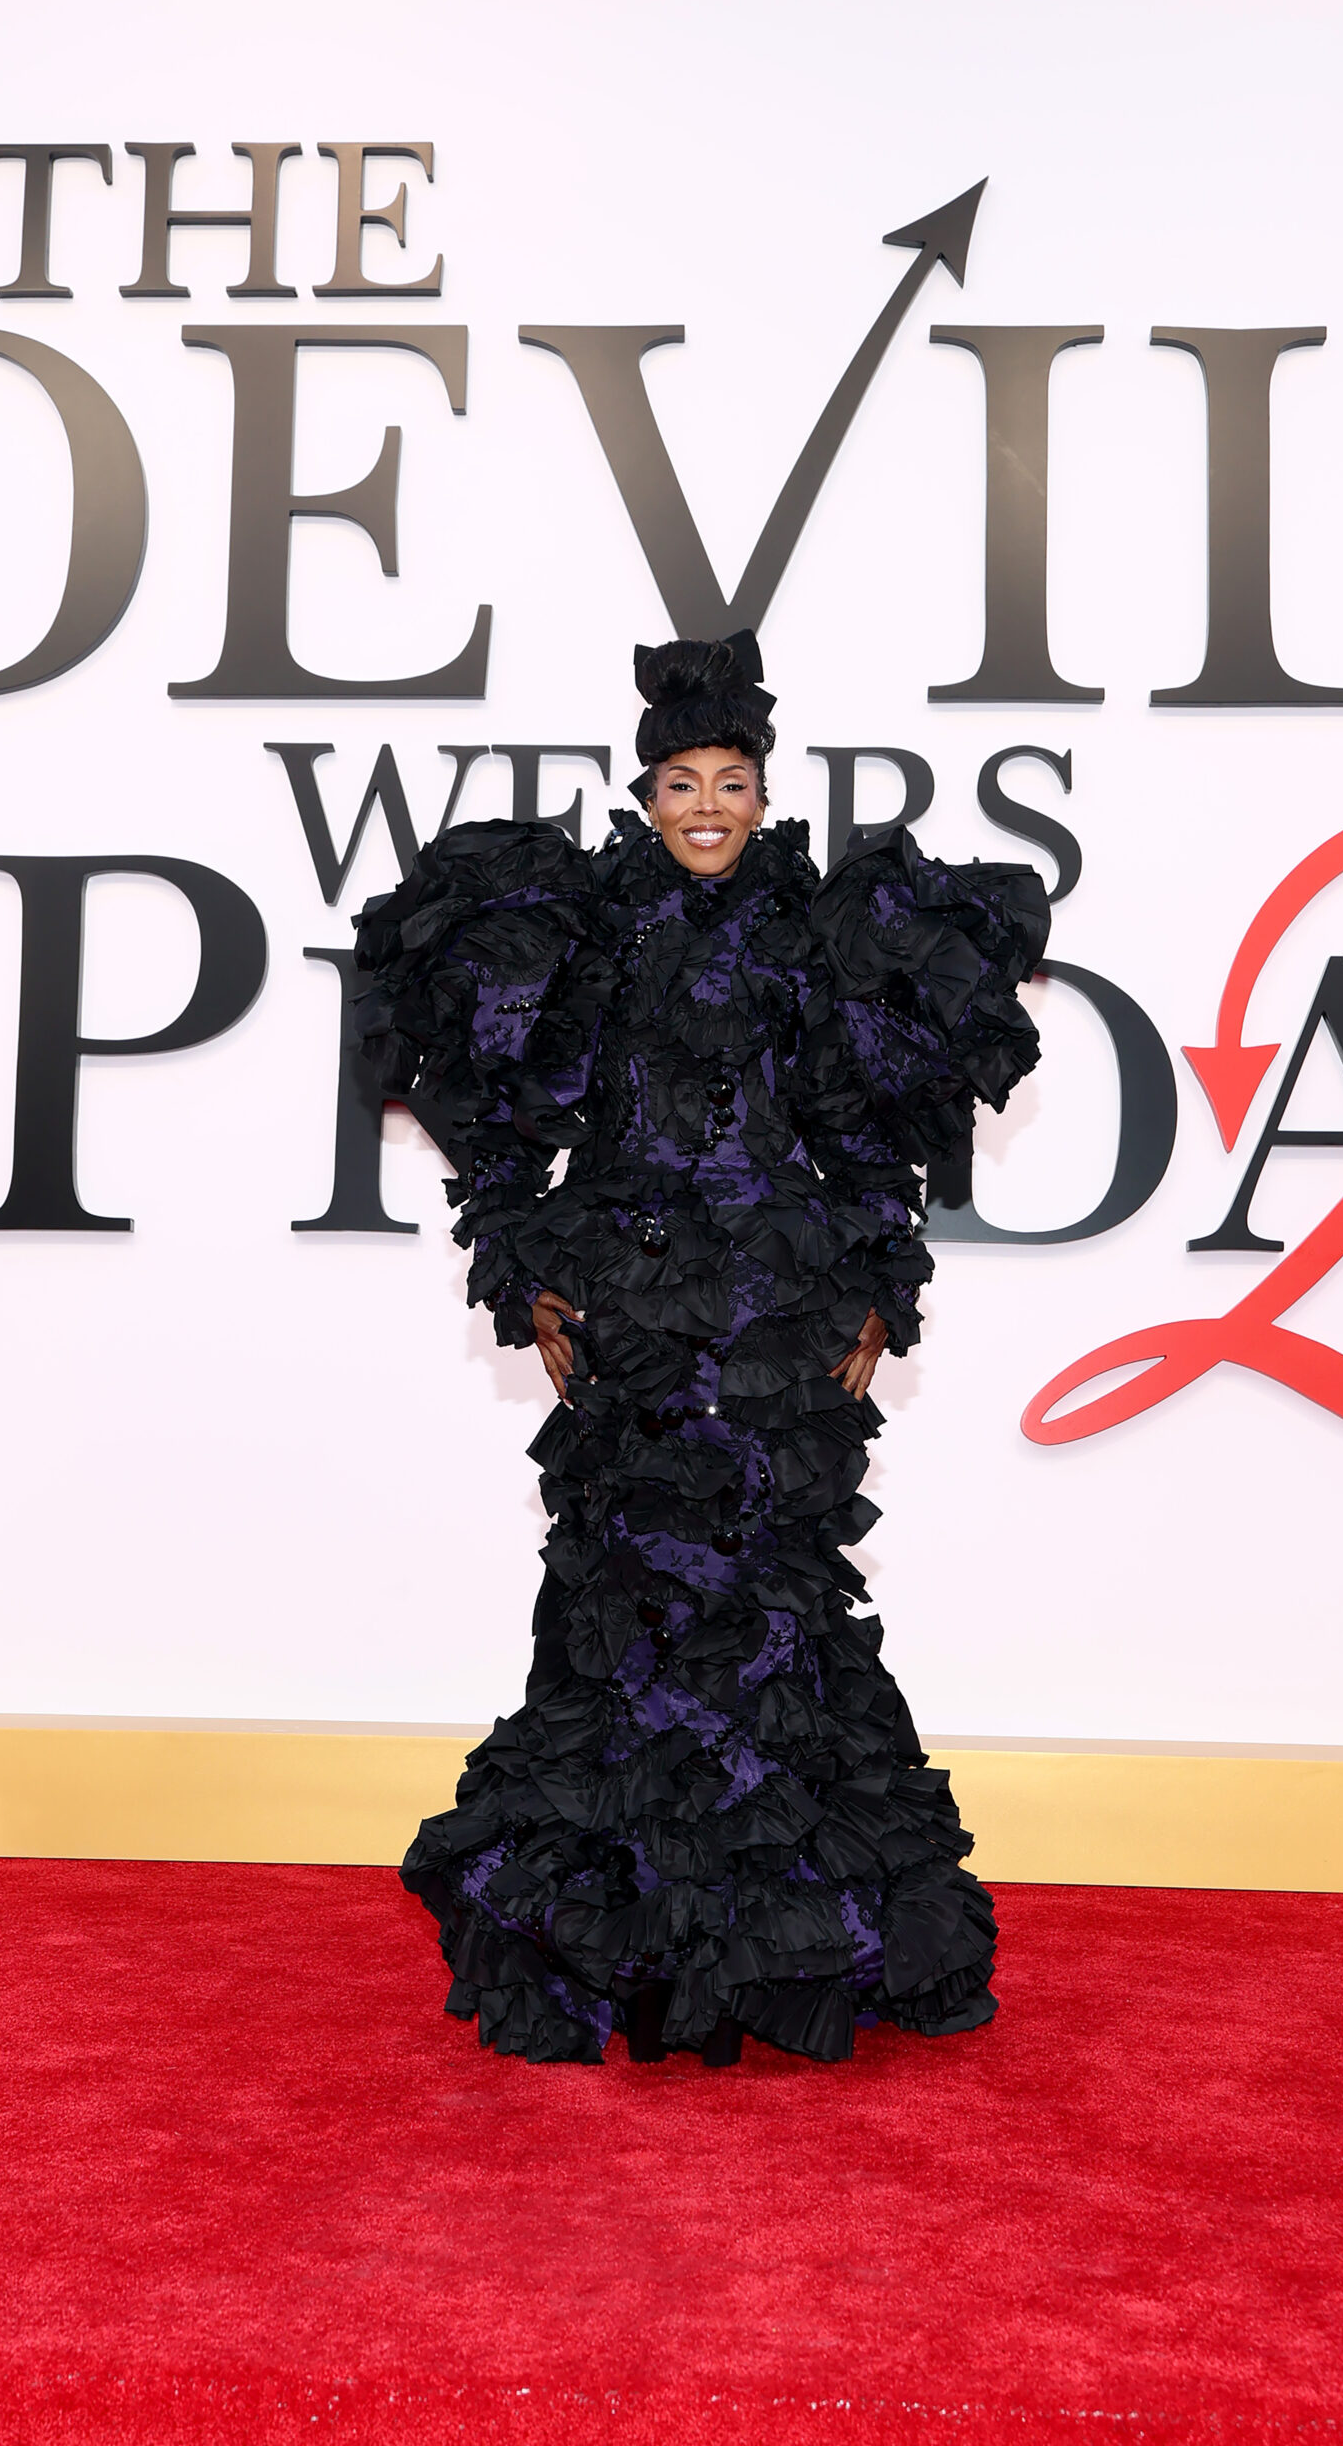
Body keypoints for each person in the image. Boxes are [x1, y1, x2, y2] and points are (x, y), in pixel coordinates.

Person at [354, 633, 1049, 2066]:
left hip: (780, 1320)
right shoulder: (588, 925)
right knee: (629, 1603)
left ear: (765, 795)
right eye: (682, 784)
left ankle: (788, 1944)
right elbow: (505, 1114)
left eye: (732, 783)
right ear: (647, 795)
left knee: (777, 1606)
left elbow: (864, 1132)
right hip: (633, 1315)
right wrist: (521, 1264)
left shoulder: (816, 931)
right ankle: (626, 1938)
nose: (709, 808)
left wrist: (881, 1285)